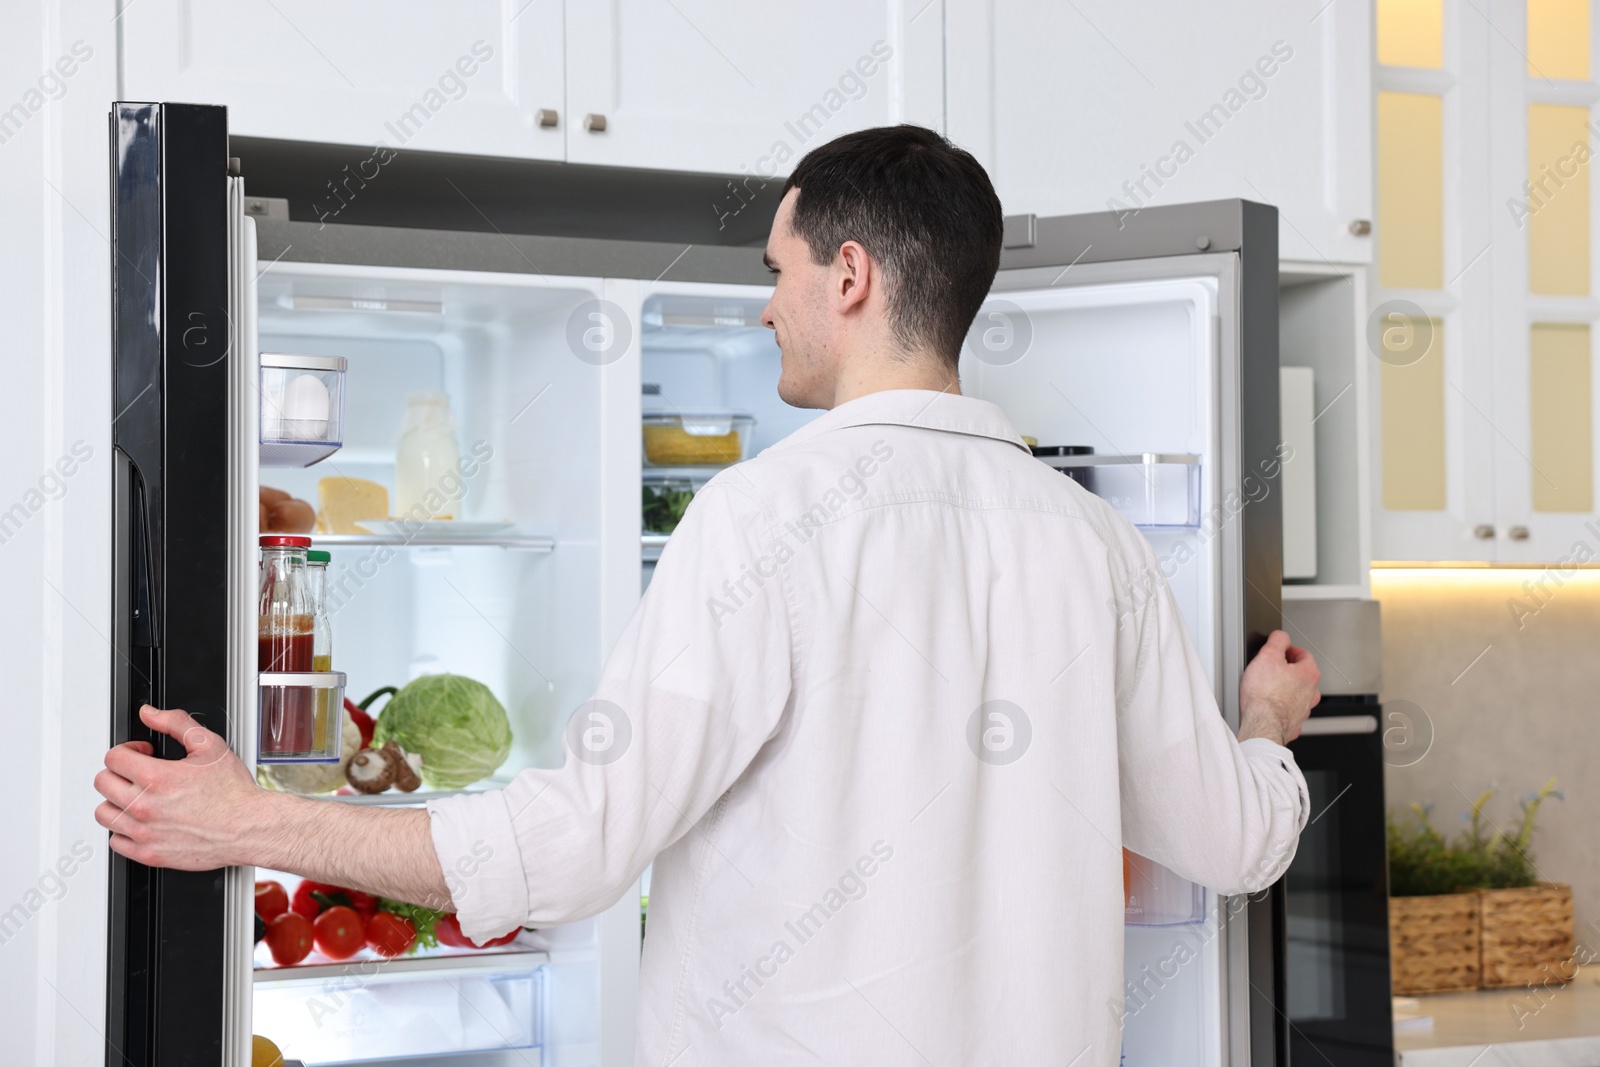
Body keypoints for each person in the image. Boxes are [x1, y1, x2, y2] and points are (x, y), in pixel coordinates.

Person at [95, 124, 1319, 1066]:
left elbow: (578, 847)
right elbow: (1234, 840)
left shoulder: (766, 514)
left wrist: (252, 819)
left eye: (776, 269)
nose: (763, 302)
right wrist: (1262, 722)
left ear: (850, 275)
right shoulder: (1096, 543)